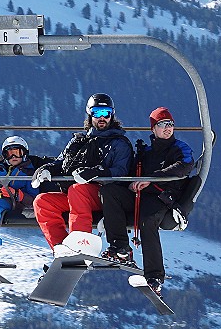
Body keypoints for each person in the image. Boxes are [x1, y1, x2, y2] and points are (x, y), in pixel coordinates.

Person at [31, 93, 133, 256]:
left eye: (106, 113)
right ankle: (61, 248)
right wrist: (47, 169)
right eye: (97, 113)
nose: (102, 118)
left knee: (78, 190)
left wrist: (97, 173)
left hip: (103, 196)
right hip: (75, 195)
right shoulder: (79, 141)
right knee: (42, 202)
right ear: (89, 114)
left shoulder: (119, 143)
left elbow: (121, 171)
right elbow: (61, 161)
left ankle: (80, 244)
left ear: (112, 115)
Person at [118, 106, 195, 296]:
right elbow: (132, 171)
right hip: (143, 196)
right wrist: (130, 184)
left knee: (148, 221)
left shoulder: (180, 148)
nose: (168, 128)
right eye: (162, 125)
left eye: (170, 124)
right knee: (111, 194)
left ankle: (154, 276)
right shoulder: (146, 153)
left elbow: (183, 167)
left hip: (163, 197)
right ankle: (118, 247)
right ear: (153, 128)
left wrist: (152, 178)